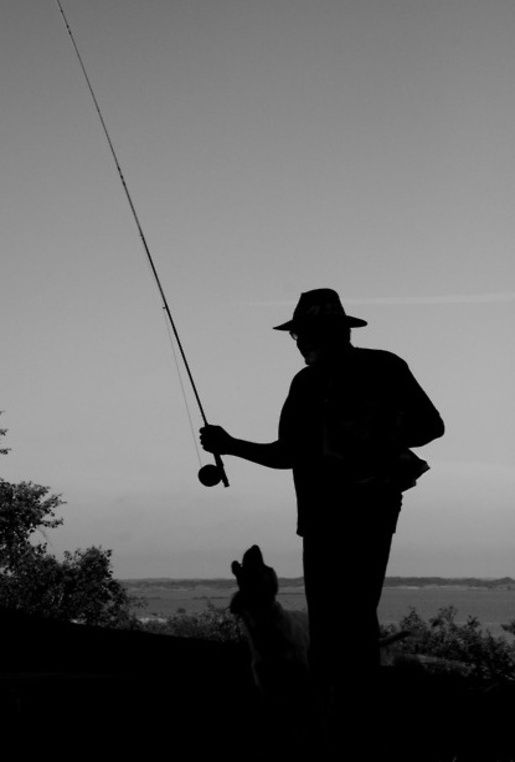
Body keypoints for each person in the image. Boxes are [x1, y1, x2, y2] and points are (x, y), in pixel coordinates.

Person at [200, 288, 444, 745]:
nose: (297, 342)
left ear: (328, 332)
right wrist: (230, 445)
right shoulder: (310, 383)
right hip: (335, 514)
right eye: (296, 334)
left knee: (345, 620)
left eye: (302, 333)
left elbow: (430, 427)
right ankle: (340, 724)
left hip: (358, 511)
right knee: (340, 622)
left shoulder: (378, 368)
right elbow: (288, 454)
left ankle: (345, 728)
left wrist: (366, 433)